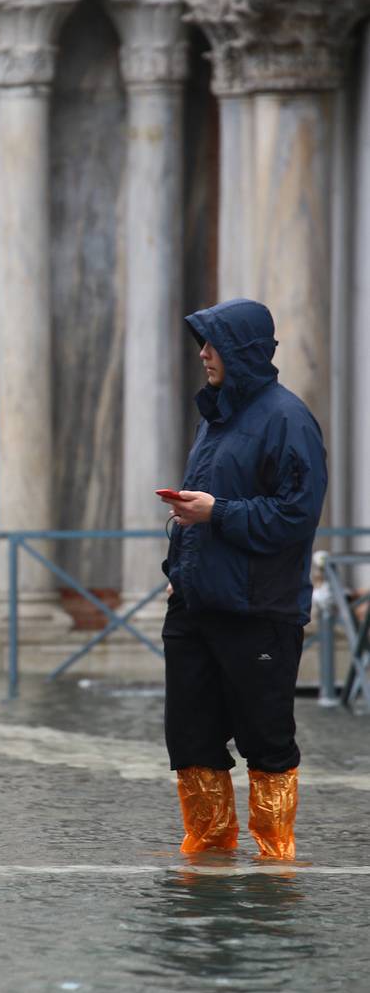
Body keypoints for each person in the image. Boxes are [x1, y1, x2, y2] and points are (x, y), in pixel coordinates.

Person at [161, 298, 327, 860]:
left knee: (266, 739)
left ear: (243, 352)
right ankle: (207, 847)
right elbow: (203, 508)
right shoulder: (217, 418)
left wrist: (217, 512)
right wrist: (176, 570)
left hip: (259, 612)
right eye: (203, 343)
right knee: (190, 737)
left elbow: (296, 516)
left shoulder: (288, 419)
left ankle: (275, 853)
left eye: (213, 344)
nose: (203, 354)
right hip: (194, 606)